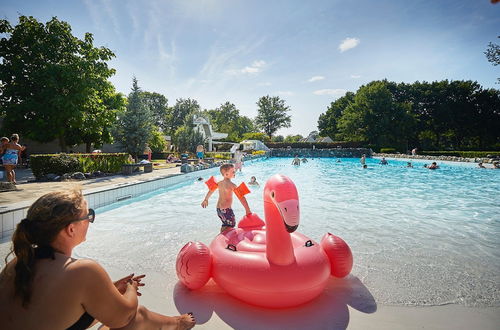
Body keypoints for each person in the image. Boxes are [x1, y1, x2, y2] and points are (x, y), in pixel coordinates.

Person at [0, 188, 195, 330]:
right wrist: (130, 290)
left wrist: (109, 289)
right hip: (127, 316)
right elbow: (124, 316)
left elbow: (62, 310)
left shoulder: (18, 263)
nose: (90, 221)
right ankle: (177, 325)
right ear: (71, 229)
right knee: (136, 317)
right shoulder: (82, 271)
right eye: (88, 216)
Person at [201, 163, 252, 233]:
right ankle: (226, 240)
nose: (235, 172)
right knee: (231, 225)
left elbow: (211, 190)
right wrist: (247, 209)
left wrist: (206, 199)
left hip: (219, 209)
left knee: (225, 224)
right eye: (233, 172)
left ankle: (221, 237)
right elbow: (241, 198)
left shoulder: (219, 183)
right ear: (226, 174)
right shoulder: (232, 185)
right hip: (226, 210)